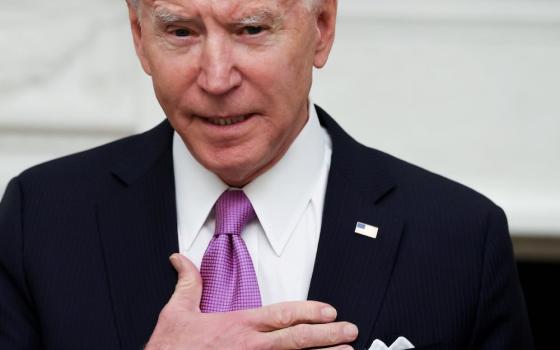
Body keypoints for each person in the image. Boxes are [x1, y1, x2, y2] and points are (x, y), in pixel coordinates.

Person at [0, 0, 534, 349]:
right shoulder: (42, 216)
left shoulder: (458, 237)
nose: (215, 76)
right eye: (180, 31)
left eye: (251, 29)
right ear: (139, 37)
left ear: (322, 28)